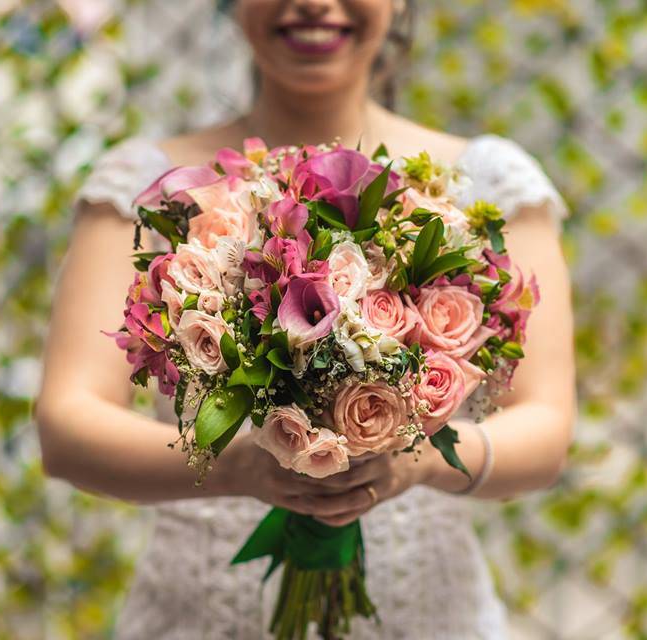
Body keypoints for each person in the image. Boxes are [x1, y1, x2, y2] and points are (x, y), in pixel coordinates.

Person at [34, 0, 576, 637]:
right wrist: (239, 466)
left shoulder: (485, 186)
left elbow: (546, 424)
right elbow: (67, 424)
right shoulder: (148, 188)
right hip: (202, 609)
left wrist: (421, 462)